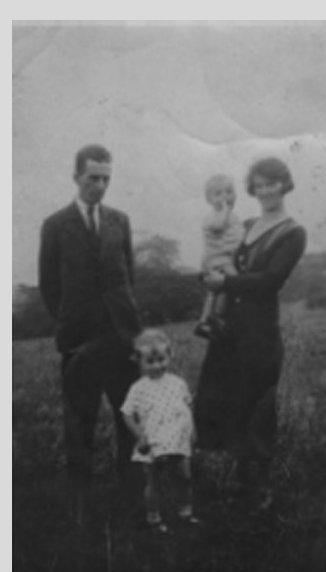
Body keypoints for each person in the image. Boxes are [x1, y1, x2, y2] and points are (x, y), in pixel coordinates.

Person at [195, 157, 307, 509]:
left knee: (257, 407)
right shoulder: (246, 224)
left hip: (259, 332)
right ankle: (239, 484)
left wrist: (226, 280)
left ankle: (259, 490)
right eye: (258, 185)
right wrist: (210, 272)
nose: (265, 190)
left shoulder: (292, 232)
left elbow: (271, 281)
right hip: (230, 329)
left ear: (284, 184)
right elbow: (219, 249)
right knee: (227, 402)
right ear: (252, 189)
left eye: (272, 183)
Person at [38, 144, 141, 506]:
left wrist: (129, 327)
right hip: (79, 341)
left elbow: (128, 275)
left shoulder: (120, 221)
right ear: (76, 177)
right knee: (79, 421)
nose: (100, 185)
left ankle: (131, 493)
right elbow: (49, 284)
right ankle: (80, 500)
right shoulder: (55, 225)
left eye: (106, 179)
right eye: (92, 178)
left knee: (128, 416)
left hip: (122, 338)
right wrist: (70, 324)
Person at [121, 329, 199, 533]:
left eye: (161, 359)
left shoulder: (178, 383)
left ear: (169, 355)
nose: (157, 365)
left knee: (184, 476)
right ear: (139, 361)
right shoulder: (139, 388)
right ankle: (154, 518)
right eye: (150, 361)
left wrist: (192, 431)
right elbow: (127, 414)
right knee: (153, 482)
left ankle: (186, 512)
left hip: (178, 439)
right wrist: (140, 436)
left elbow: (187, 408)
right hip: (153, 441)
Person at [194, 174, 243, 339]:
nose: (224, 197)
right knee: (234, 283)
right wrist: (224, 209)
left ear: (235, 195)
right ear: (209, 199)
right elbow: (218, 225)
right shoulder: (214, 216)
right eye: (218, 194)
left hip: (221, 258)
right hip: (218, 259)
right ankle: (218, 318)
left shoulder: (232, 216)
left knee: (216, 291)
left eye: (229, 192)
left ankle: (204, 321)